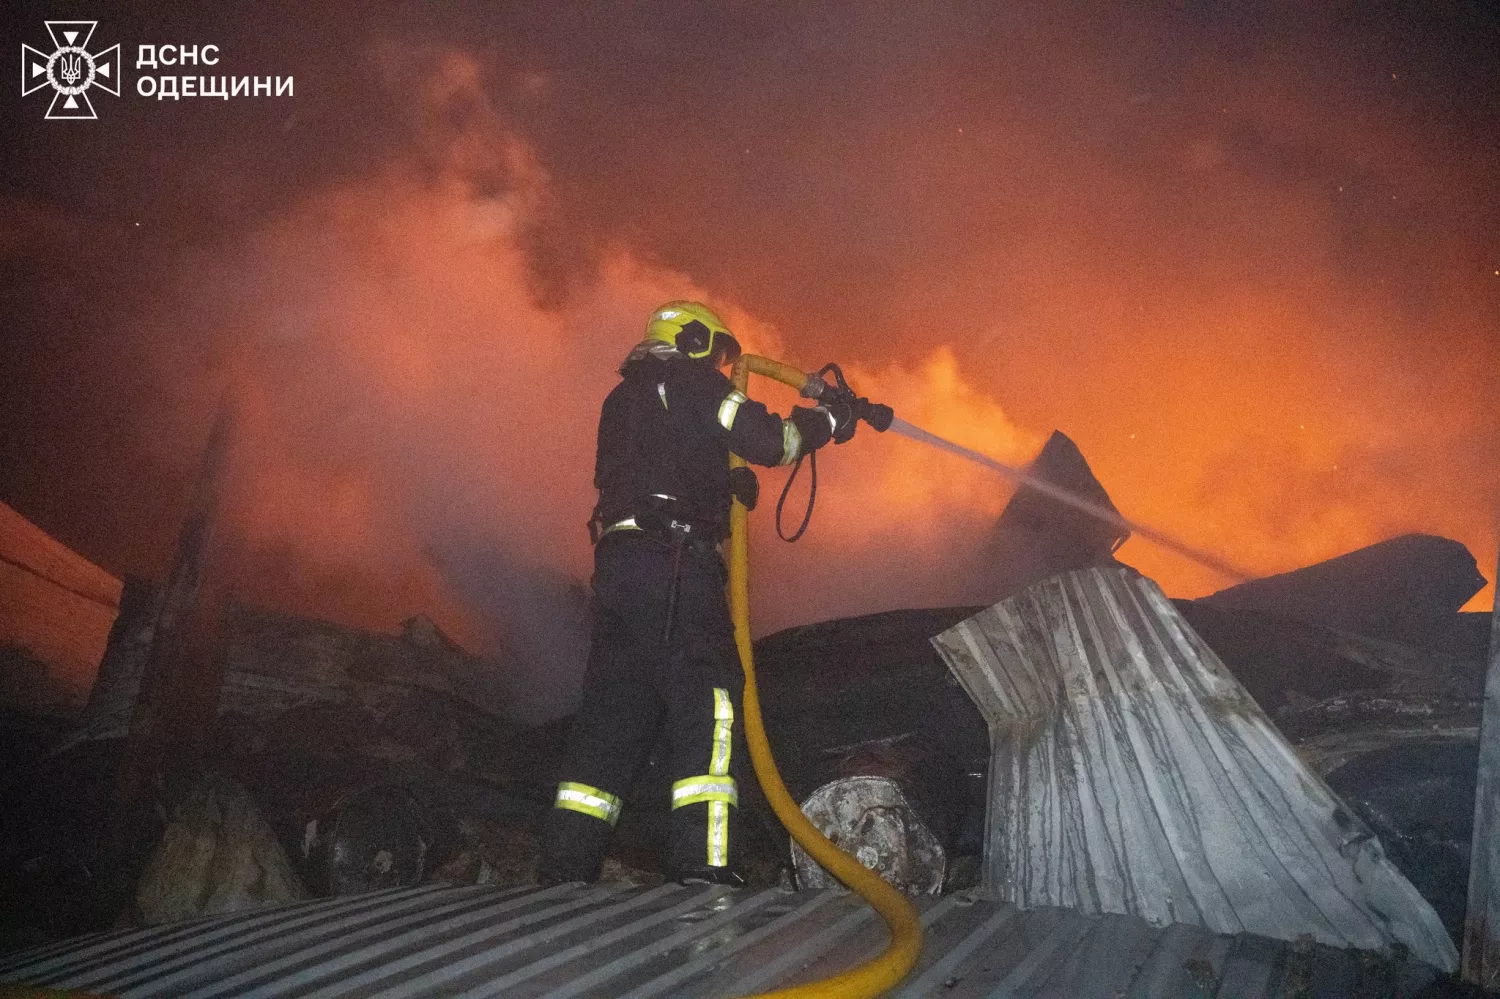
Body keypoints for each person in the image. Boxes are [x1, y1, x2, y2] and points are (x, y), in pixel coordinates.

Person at [538, 300, 856, 885]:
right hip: (676, 568)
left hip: (621, 570)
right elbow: (773, 440)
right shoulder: (693, 382)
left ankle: (564, 871)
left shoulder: (624, 399)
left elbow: (659, 465)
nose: (720, 365)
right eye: (716, 352)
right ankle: (705, 869)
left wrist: (718, 483)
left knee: (612, 720)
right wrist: (829, 421)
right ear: (692, 341)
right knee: (708, 706)